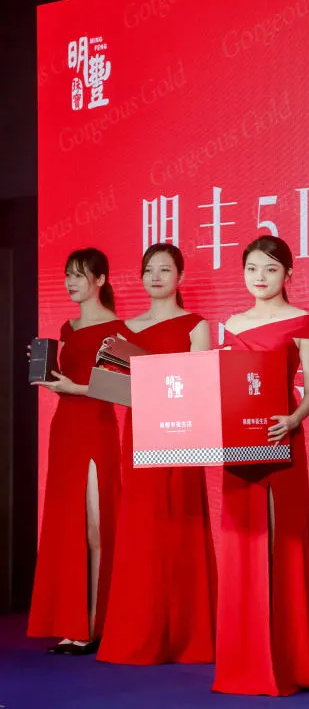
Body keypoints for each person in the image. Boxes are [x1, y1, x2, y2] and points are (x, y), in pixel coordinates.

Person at [213, 235, 309, 696]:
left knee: (280, 546)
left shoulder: (301, 321)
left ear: (288, 274)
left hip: (280, 444)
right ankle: (242, 662)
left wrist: (293, 420)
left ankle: (284, 662)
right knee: (242, 548)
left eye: (271, 269)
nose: (260, 277)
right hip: (237, 449)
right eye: (252, 268)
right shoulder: (232, 324)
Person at [98, 243, 216, 665]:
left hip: (183, 433)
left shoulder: (196, 325)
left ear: (180, 277)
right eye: (149, 269)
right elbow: (114, 389)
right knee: (142, 528)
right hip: (140, 432)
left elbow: (202, 386)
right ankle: (140, 631)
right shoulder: (124, 330)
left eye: (165, 269)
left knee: (182, 526)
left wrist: (159, 382)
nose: (156, 276)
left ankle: (187, 635)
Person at [28, 248, 124, 655]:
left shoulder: (118, 328)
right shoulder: (66, 328)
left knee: (96, 526)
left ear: (100, 280)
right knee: (68, 525)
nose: (71, 282)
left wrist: (76, 388)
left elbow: (123, 389)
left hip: (96, 428)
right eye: (68, 274)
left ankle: (95, 624)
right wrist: (47, 374)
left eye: (80, 275)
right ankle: (73, 623)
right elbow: (66, 380)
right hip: (64, 428)